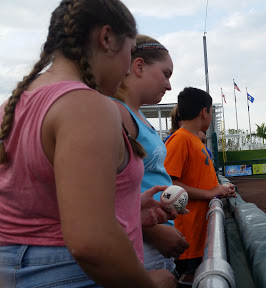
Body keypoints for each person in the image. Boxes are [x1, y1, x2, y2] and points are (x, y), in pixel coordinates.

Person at [0, 1, 177, 287]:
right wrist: (147, 284)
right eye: (128, 52)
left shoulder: (12, 105)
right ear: (107, 38)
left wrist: (127, 208)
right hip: (71, 275)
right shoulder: (86, 106)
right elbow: (90, 242)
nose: (126, 68)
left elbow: (39, 206)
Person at [111, 35, 189, 274]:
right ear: (139, 66)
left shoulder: (136, 114)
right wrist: (152, 232)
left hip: (152, 235)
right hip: (138, 239)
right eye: (166, 74)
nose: (169, 86)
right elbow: (98, 193)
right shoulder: (116, 111)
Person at [164, 87, 236, 277]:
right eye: (211, 111)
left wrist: (220, 189)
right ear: (205, 112)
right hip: (187, 238)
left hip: (199, 234)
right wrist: (210, 192)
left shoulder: (194, 139)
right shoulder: (180, 139)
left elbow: (198, 180)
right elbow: (169, 186)